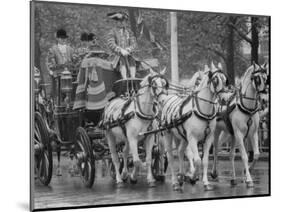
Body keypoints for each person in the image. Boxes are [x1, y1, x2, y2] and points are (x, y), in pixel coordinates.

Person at [46, 29, 75, 101]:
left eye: (64, 38)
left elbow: (75, 61)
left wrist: (74, 61)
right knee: (59, 94)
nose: (63, 39)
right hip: (58, 76)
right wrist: (59, 66)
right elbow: (51, 65)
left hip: (70, 75)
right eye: (61, 38)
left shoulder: (70, 49)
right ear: (57, 39)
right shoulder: (52, 50)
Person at [106, 11, 137, 79]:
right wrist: (120, 50)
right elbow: (111, 44)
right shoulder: (112, 32)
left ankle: (133, 77)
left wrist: (129, 49)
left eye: (124, 21)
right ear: (116, 22)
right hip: (116, 56)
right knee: (121, 58)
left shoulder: (129, 32)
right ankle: (124, 78)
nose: (122, 23)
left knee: (132, 59)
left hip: (128, 55)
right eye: (120, 21)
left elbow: (134, 43)